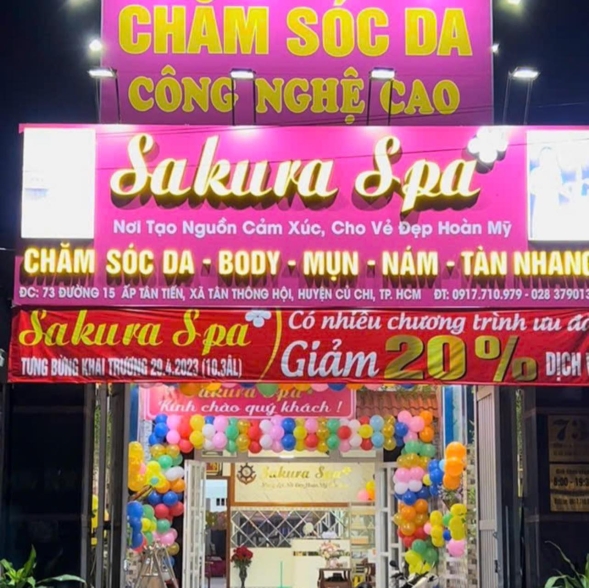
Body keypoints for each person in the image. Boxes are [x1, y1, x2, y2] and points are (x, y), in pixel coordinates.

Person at [529, 147, 571, 240]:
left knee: (552, 233)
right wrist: (542, 190)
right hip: (541, 208)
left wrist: (570, 196)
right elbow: (530, 189)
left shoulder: (555, 172)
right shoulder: (536, 172)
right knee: (539, 234)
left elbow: (560, 187)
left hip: (553, 207)